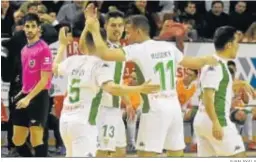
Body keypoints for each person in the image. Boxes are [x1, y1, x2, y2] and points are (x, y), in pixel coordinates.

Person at [86, 10, 218, 157]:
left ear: (138, 31)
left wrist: (93, 29)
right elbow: (194, 62)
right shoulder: (168, 47)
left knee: (145, 155)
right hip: (174, 107)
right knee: (176, 153)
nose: (126, 36)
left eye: (128, 32)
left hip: (154, 107)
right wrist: (210, 59)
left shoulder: (136, 49)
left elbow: (104, 54)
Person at [53, 27, 160, 157]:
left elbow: (54, 67)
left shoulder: (73, 60)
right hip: (84, 123)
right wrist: (139, 88)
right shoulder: (99, 65)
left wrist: (62, 45)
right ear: (102, 43)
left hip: (65, 122)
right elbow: (113, 89)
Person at [80, 10, 129, 157]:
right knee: (101, 152)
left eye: (120, 25)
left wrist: (127, 102)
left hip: (115, 108)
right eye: (113, 25)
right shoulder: (99, 45)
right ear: (105, 26)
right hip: (101, 108)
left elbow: (118, 79)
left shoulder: (121, 49)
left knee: (120, 152)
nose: (117, 29)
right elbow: (83, 47)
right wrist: (88, 24)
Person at [193, 26, 246, 157]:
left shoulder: (217, 63)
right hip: (217, 120)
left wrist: (242, 83)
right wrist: (216, 123)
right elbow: (208, 97)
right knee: (239, 157)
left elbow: (221, 87)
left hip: (202, 120)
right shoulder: (215, 65)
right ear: (229, 45)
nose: (238, 46)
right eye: (236, 43)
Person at [12, 13, 52, 157]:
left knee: (36, 137)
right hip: (25, 94)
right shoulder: (24, 50)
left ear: (38, 28)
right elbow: (27, 76)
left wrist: (28, 98)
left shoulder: (44, 49)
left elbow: (44, 80)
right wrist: (22, 93)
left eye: (33, 26)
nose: (29, 29)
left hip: (39, 96)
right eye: (27, 26)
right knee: (17, 139)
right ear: (23, 28)